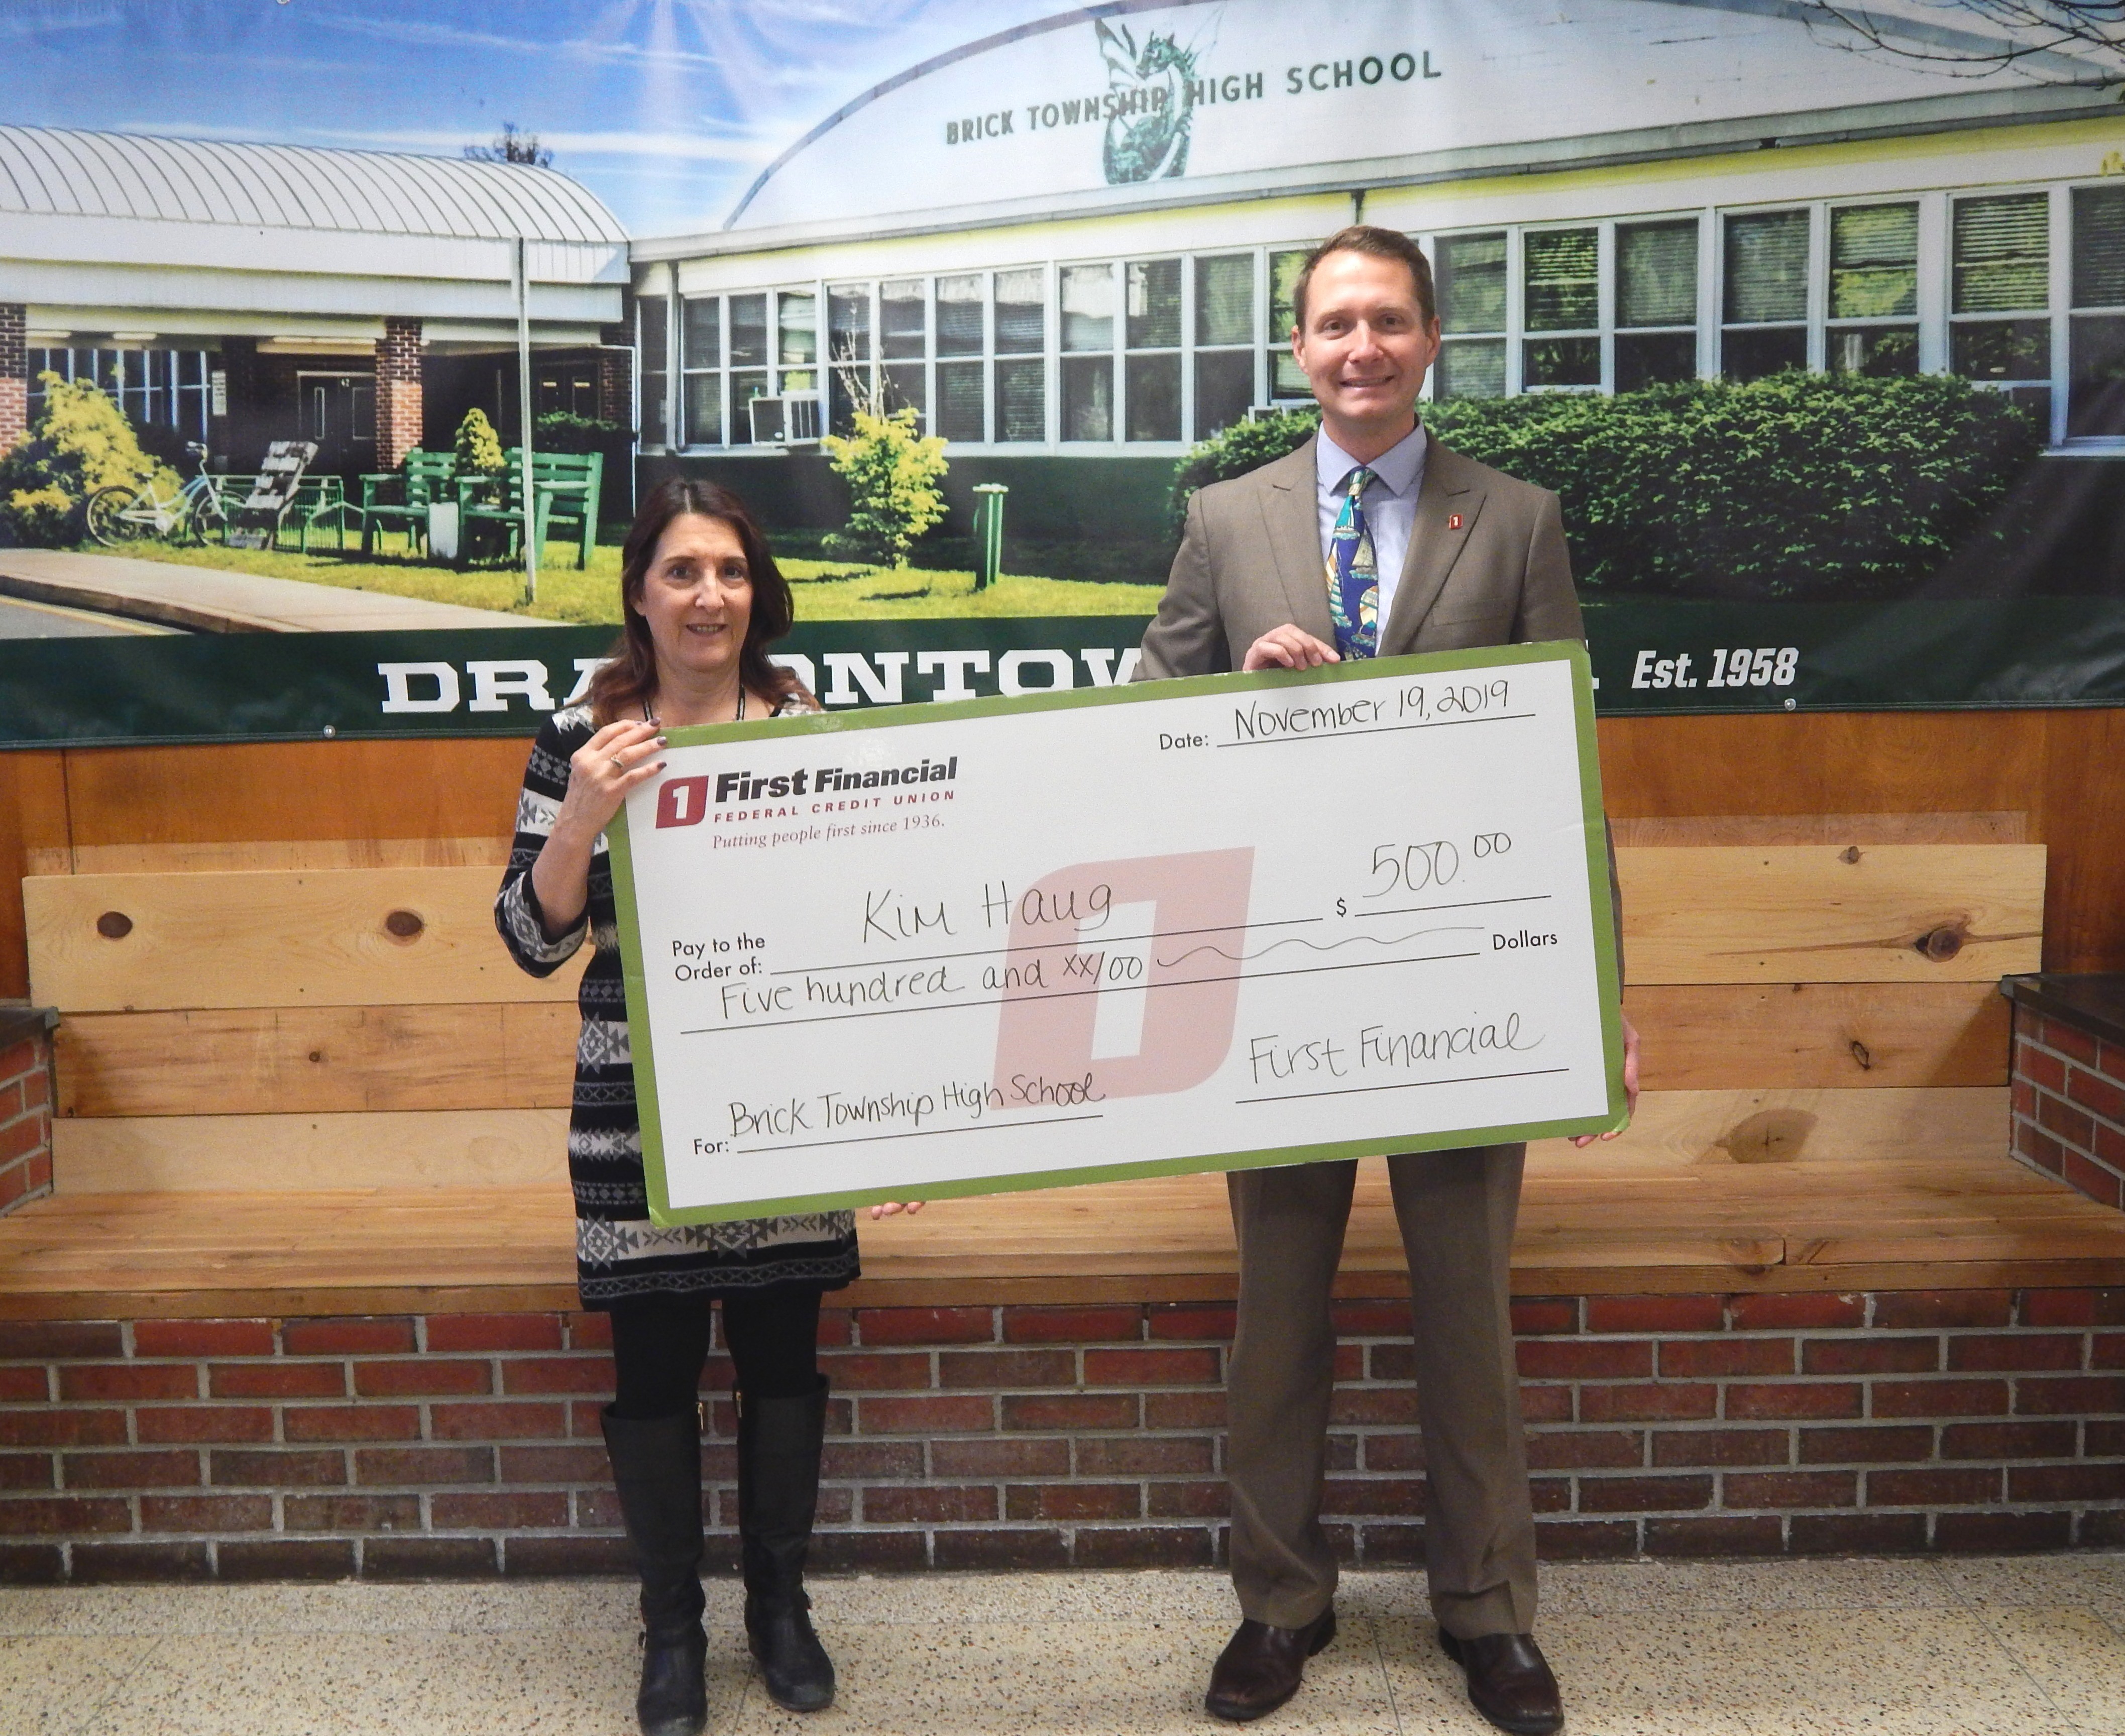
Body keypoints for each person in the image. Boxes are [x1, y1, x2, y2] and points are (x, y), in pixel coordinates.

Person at [1137, 226, 1641, 1736]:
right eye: (1335, 324)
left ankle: (1488, 1613)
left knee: (1467, 1312)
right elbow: (1143, 712)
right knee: (1279, 1313)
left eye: (1390, 322)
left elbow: (1561, 769)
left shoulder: (1519, 519)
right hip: (1280, 976)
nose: (1362, 348)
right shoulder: (1225, 518)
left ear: (1430, 340)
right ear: (1298, 348)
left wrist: (1595, 994)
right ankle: (1278, 1604)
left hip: (1460, 968)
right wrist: (1232, 695)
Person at [494, 479, 917, 1735]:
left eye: (729, 571)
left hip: (787, 1101)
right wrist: (581, 815)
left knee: (783, 1361)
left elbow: (868, 931)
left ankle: (778, 1608)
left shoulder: (806, 727)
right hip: (636, 1112)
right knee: (654, 1370)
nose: (707, 596)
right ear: (638, 592)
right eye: (681, 571)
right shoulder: (580, 735)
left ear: (757, 592)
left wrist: (891, 1117)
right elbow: (529, 937)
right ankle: (670, 1628)